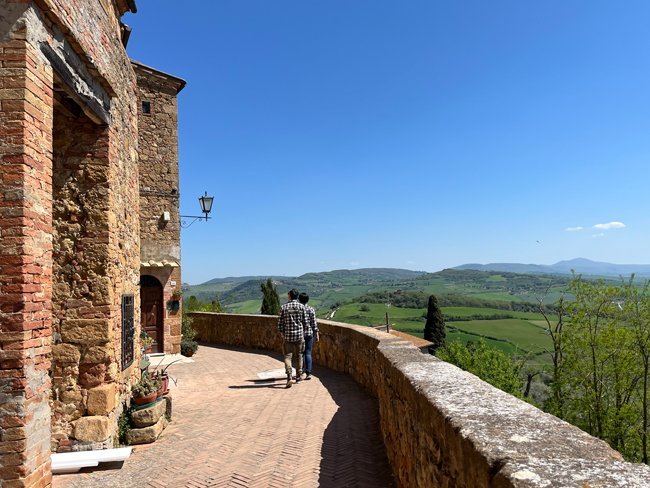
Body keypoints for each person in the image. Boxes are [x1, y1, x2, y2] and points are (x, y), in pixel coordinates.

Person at [277, 288, 307, 388]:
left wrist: (282, 333)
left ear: (290, 296)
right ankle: (298, 375)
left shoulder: (284, 307)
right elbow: (305, 322)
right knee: (299, 355)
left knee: (287, 356)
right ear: (297, 296)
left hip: (288, 336)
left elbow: (280, 323)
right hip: (299, 335)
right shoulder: (301, 307)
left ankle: (289, 376)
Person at [299, 292, 318, 380]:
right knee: (308, 352)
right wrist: (316, 333)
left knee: (301, 353)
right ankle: (308, 372)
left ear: (299, 299)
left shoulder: (298, 309)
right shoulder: (311, 309)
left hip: (300, 334)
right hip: (309, 333)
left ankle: (301, 371)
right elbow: (314, 324)